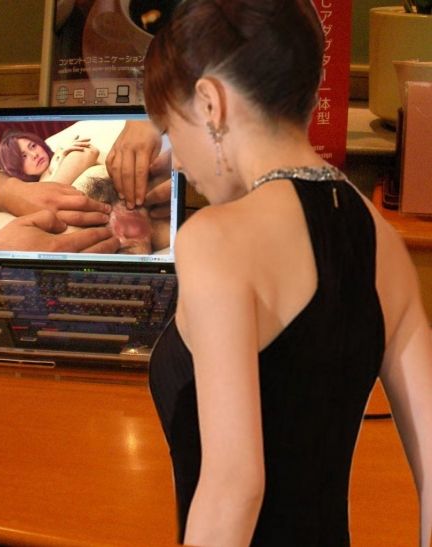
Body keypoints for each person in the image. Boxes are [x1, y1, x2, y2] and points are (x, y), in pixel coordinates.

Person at [144, 1, 432, 546]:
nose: (176, 160)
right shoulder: (383, 242)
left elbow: (235, 486)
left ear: (210, 103)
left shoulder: (215, 240)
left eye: (169, 128)